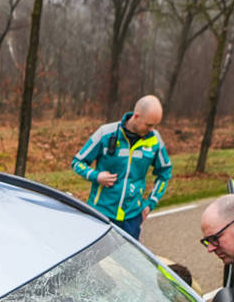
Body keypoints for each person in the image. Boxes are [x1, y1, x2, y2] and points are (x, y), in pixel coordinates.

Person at [72, 95, 171, 240]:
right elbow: (77, 162)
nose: (152, 130)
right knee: (95, 259)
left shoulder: (154, 140)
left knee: (126, 262)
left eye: (155, 126)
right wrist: (96, 176)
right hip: (101, 212)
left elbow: (165, 172)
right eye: (149, 125)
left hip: (132, 217)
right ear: (136, 116)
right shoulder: (105, 133)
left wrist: (151, 202)